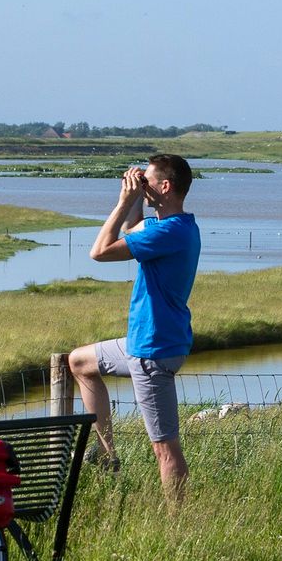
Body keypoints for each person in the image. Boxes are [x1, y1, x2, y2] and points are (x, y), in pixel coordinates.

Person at [68, 153, 200, 503]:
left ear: (165, 186)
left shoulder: (168, 233)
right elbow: (131, 230)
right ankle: (107, 454)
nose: (142, 188)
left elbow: (100, 251)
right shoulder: (179, 226)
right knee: (79, 362)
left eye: (149, 182)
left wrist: (124, 199)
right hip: (146, 343)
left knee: (165, 448)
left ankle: (180, 524)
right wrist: (135, 203)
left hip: (151, 352)